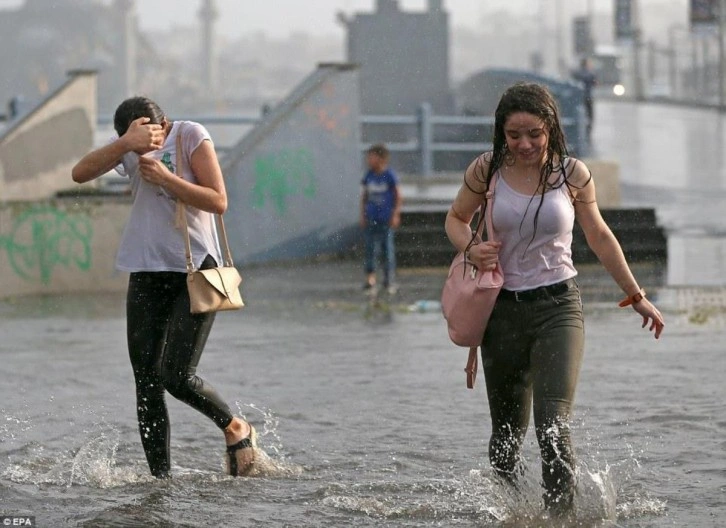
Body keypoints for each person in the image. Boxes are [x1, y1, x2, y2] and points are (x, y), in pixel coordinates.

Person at [444, 83, 664, 515]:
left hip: (558, 307)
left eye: (534, 134)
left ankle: (558, 520)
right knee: (506, 436)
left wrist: (636, 295)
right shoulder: (486, 170)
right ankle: (511, 516)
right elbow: (455, 218)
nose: (524, 144)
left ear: (551, 130)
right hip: (501, 312)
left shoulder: (572, 174)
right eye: (514, 135)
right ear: (501, 134)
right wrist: (470, 247)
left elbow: (599, 235)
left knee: (552, 427)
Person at [71, 96, 257, 479]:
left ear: (165, 123)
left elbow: (218, 201)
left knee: (177, 375)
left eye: (155, 133)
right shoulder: (129, 147)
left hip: (195, 268)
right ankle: (161, 479)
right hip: (145, 267)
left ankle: (236, 427)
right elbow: (79, 173)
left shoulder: (190, 135)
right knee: (146, 380)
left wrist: (167, 179)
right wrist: (126, 145)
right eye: (141, 136)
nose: (151, 142)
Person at [360, 143, 402, 294]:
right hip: (372, 217)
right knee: (370, 249)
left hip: (385, 219)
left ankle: (388, 280)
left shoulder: (389, 176)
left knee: (387, 250)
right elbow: (364, 196)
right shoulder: (369, 175)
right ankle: (370, 279)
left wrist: (395, 214)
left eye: (372, 157)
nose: (369, 160)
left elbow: (397, 196)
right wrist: (363, 214)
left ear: (382, 158)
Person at [572, 57, 597, 140]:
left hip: (578, 98)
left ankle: (581, 132)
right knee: (589, 116)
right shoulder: (590, 74)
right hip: (588, 97)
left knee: (579, 114)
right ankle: (587, 132)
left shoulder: (576, 73)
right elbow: (595, 83)